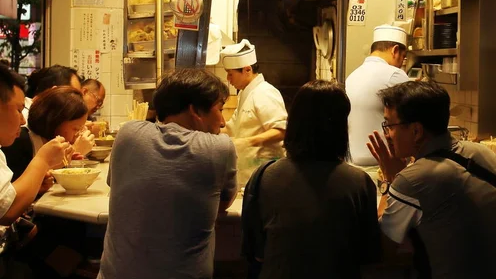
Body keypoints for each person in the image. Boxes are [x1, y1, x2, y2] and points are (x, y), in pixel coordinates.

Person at [367, 81, 496, 279]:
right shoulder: (485, 154)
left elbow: (383, 251)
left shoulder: (412, 180)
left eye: (389, 125)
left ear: (416, 131)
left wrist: (390, 179)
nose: (386, 134)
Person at [99, 68, 237, 279]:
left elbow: (119, 186)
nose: (223, 122)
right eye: (220, 109)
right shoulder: (219, 148)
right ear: (196, 111)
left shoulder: (127, 133)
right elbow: (223, 203)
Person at [243, 80, 380, 279]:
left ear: (294, 123)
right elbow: (369, 255)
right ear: (341, 127)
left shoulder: (264, 176)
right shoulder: (359, 182)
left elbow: (256, 253)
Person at [0, 64, 71, 226]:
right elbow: (7, 211)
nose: (23, 120)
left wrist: (35, 186)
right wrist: (43, 160)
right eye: (18, 110)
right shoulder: (22, 141)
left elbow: (6, 197)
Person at [222, 39, 287, 184]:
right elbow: (233, 127)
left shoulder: (265, 92)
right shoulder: (244, 94)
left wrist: (248, 142)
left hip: (265, 174)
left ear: (247, 70)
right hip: (248, 173)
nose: (228, 79)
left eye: (230, 74)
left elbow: (281, 131)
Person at [346, 24, 409, 166]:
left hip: (352, 162)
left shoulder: (352, 76)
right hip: (382, 165)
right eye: (403, 57)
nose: (401, 64)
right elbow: (411, 118)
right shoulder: (394, 74)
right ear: (395, 50)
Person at [3, 87, 95, 182]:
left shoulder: (44, 143)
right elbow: (14, 193)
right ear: (55, 120)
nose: (77, 135)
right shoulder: (19, 141)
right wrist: (76, 150)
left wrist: (64, 160)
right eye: (76, 129)